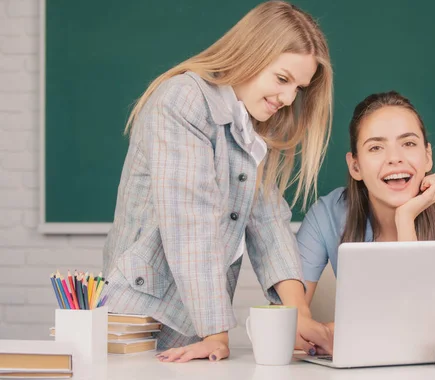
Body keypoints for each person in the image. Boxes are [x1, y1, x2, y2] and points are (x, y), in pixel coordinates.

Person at [102, 1, 333, 363]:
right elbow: (189, 224)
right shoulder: (183, 100)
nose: (288, 99)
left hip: (197, 326)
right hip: (141, 318)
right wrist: (216, 335)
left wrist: (298, 312)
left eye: (298, 89)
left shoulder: (248, 124)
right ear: (251, 54)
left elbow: (268, 221)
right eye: (283, 79)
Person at [297, 91, 435, 325]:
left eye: (408, 143)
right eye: (376, 148)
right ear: (355, 166)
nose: (395, 158)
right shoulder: (326, 215)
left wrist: (405, 219)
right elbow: (285, 319)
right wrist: (326, 335)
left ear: (427, 157)